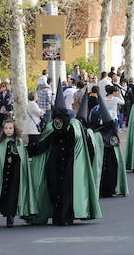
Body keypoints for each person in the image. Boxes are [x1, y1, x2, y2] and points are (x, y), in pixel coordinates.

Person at [25, 86, 100, 225]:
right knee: (55, 190)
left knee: (67, 191)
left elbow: (84, 145)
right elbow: (44, 144)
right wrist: (27, 149)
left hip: (70, 164)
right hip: (54, 164)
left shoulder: (75, 128)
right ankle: (58, 215)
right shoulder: (52, 130)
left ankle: (66, 217)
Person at [0, 118, 34, 226]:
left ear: (14, 129)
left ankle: (11, 215)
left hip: (16, 172)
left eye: (10, 128)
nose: (8, 130)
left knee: (13, 193)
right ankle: (6, 212)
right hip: (3, 171)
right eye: (6, 128)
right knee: (4, 192)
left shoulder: (18, 142)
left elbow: (23, 159)